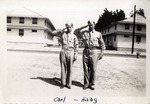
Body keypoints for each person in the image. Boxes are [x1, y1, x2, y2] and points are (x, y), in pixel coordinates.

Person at [74, 21, 105, 90]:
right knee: (85, 68)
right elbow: (75, 32)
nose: (90, 26)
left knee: (93, 69)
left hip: (94, 51)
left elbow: (102, 44)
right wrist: (84, 26)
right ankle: (86, 83)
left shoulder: (98, 34)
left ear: (94, 25)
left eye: (91, 25)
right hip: (86, 51)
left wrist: (102, 52)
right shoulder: (84, 33)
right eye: (89, 25)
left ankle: (92, 84)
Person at [52, 23, 78, 89]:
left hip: (71, 51)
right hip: (63, 51)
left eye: (70, 27)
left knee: (70, 68)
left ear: (72, 27)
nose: (68, 28)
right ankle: (63, 83)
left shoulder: (74, 36)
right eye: (67, 27)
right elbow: (53, 33)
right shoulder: (62, 34)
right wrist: (62, 29)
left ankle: (68, 84)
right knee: (63, 68)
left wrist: (76, 54)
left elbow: (76, 46)